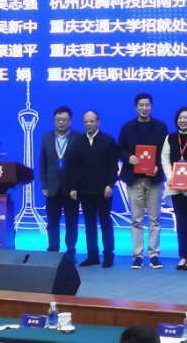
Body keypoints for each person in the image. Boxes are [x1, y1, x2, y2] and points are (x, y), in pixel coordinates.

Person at [117, 93, 169, 270]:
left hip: (154, 179)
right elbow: (120, 150)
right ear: (136, 107)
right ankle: (137, 256)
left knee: (155, 219)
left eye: (147, 105)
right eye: (141, 105)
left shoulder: (160, 127)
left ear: (151, 106)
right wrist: (128, 157)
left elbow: (165, 152)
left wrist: (158, 167)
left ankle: (154, 255)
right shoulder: (127, 127)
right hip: (134, 179)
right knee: (136, 219)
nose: (144, 108)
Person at [69, 110, 118, 268]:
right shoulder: (77, 142)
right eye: (86, 122)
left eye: (91, 121)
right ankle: (92, 256)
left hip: (104, 190)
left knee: (105, 223)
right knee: (89, 225)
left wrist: (110, 185)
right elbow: (73, 167)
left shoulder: (108, 140)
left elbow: (113, 166)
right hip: (84, 190)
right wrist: (73, 187)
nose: (88, 124)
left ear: (98, 122)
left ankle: (108, 255)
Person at [161, 106, 187, 271]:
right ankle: (183, 255)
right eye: (180, 118)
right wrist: (171, 178)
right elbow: (164, 159)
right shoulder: (170, 137)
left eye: (186, 118)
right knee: (181, 222)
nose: (182, 120)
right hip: (175, 186)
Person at [39, 106, 83, 261]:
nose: (61, 122)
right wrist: (44, 185)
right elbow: (43, 163)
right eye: (58, 120)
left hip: (71, 188)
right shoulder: (46, 137)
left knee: (72, 221)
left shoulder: (78, 137)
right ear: (54, 120)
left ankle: (71, 251)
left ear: (70, 121)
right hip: (52, 188)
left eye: (64, 120)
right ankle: (53, 250)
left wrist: (77, 186)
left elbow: (81, 165)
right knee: (52, 222)